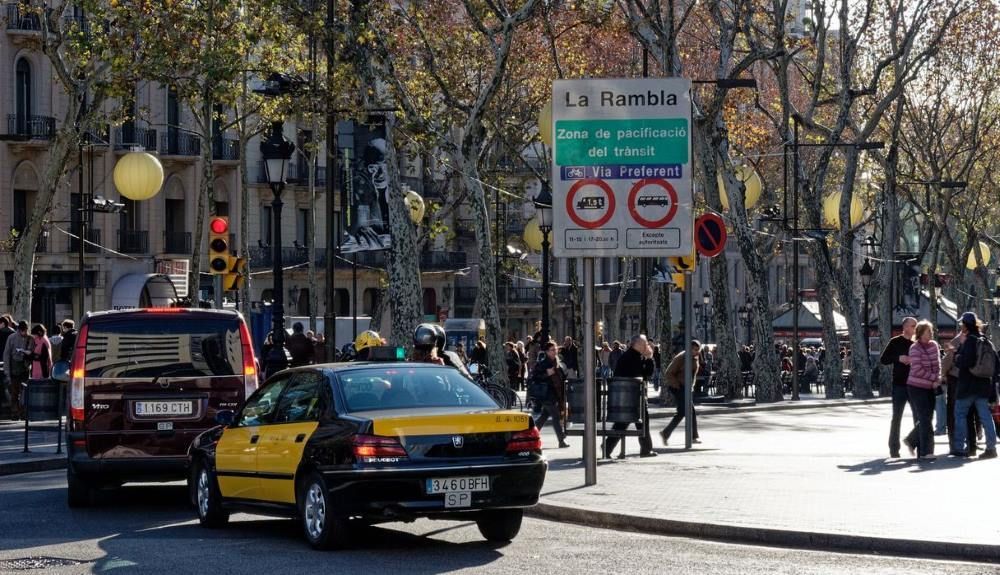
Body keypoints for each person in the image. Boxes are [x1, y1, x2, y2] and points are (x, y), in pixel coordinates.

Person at [951, 312, 998, 459]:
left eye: (961, 324)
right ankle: (991, 448)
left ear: (965, 325)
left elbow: (967, 362)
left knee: (960, 414)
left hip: (967, 386)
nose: (960, 326)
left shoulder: (970, 341)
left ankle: (960, 447)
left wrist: (957, 356)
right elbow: (996, 363)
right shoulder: (985, 339)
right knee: (985, 417)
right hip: (983, 385)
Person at [603, 334, 656, 458]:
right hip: (631, 396)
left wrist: (648, 358)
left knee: (630, 423)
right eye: (644, 344)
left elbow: (646, 374)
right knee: (638, 422)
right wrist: (649, 358)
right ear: (637, 345)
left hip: (630, 396)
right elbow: (645, 374)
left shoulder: (633, 356)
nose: (647, 346)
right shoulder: (632, 357)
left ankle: (645, 449)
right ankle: (645, 449)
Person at [879, 316, 917, 458]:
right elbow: (883, 359)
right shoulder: (895, 342)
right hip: (900, 384)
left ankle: (916, 444)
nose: (915, 328)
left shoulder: (917, 343)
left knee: (918, 417)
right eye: (913, 326)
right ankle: (894, 448)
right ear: (905, 327)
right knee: (897, 417)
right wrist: (898, 358)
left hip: (915, 385)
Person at [905, 320, 941, 460]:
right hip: (916, 387)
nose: (931, 334)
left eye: (931, 331)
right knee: (925, 419)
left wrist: (937, 378)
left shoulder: (934, 346)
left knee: (928, 418)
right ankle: (927, 452)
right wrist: (933, 378)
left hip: (930, 387)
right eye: (928, 332)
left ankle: (912, 440)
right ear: (920, 333)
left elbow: (938, 364)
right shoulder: (914, 348)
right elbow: (917, 369)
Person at [659, 340, 701, 446]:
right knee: (689, 411)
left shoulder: (695, 358)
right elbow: (669, 372)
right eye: (695, 349)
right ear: (690, 348)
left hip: (686, 388)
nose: (697, 352)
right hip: (678, 387)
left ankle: (666, 433)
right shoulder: (681, 357)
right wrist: (677, 386)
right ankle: (693, 436)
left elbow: (693, 374)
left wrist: (691, 387)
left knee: (683, 412)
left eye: (698, 350)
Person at [529, 341, 569, 448]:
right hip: (546, 394)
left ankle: (530, 435)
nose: (555, 351)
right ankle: (561, 440)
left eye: (556, 349)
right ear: (547, 352)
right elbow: (534, 377)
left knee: (544, 416)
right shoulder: (543, 363)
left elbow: (561, 377)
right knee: (555, 416)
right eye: (552, 350)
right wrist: (547, 374)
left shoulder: (557, 362)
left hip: (555, 393)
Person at [2, 321, 30, 419]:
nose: (24, 332)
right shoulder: (12, 338)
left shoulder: (29, 338)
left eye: (25, 330)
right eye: (23, 330)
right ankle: (16, 413)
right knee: (15, 393)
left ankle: (20, 412)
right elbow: (6, 355)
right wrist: (7, 371)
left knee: (21, 393)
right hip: (16, 368)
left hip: (23, 368)